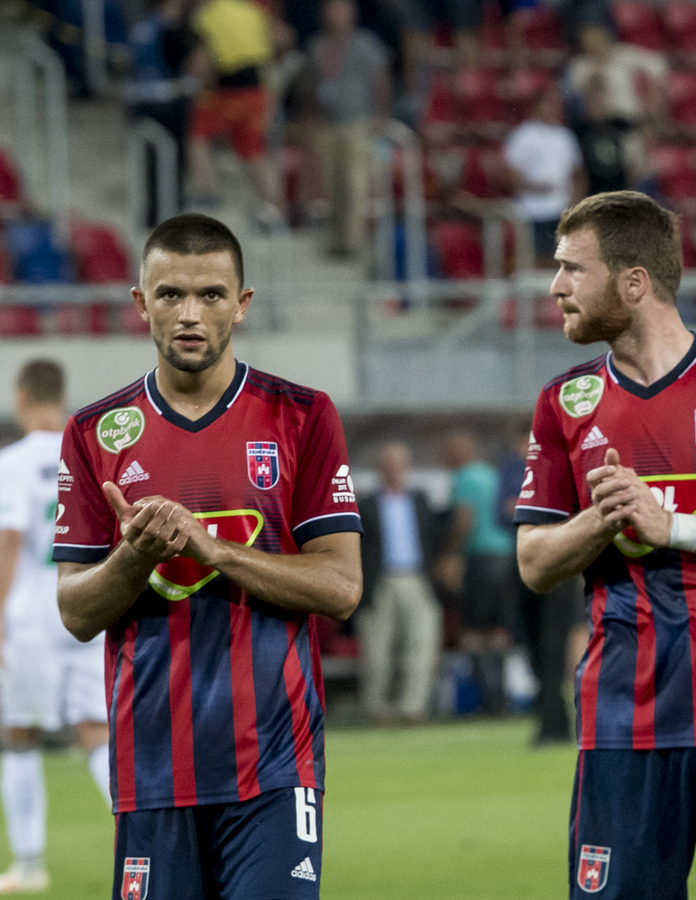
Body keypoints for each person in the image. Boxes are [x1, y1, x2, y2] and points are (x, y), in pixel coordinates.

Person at [514, 191, 696, 900]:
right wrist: (602, 519)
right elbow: (533, 562)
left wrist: (670, 526)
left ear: (633, 282)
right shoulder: (565, 402)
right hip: (623, 726)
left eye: (572, 269)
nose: (555, 287)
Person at [54, 213, 363, 898]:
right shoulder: (96, 432)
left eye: (211, 294)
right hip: (151, 773)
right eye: (171, 294)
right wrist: (134, 557)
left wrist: (212, 549)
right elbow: (75, 612)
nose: (190, 313)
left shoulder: (301, 416)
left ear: (241, 303)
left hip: (274, 769)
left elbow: (342, 586)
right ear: (141, 303)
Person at [0, 360, 111, 894]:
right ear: (62, 397)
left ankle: (28, 864)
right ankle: (147, 841)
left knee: (19, 734)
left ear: (21, 397)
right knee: (95, 730)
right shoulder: (88, 454)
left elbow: (10, 540)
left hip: (30, 617)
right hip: (87, 603)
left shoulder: (13, 463)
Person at [356, 442, 443, 725]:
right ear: (379, 470)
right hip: (379, 580)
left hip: (416, 578)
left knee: (420, 644)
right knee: (377, 649)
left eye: (399, 466)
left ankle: (412, 707)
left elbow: (435, 538)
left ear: (408, 469)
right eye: (388, 467)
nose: (394, 472)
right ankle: (376, 707)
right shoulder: (366, 504)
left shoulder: (421, 501)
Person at [441, 431, 517, 715]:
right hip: (505, 556)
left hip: (480, 560)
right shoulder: (493, 474)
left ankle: (484, 697)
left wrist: (449, 553)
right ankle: (501, 696)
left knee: (473, 630)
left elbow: (464, 519)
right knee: (498, 630)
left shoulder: (464, 478)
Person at [307, 0, 390, 258]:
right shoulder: (317, 45)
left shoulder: (365, 43)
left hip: (358, 124)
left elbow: (380, 79)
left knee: (355, 186)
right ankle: (336, 240)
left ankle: (352, 244)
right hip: (328, 125)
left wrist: (380, 115)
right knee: (332, 187)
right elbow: (311, 84)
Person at [188, 0, 283, 213]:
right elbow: (275, 46)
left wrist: (203, 84)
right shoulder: (253, 12)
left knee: (197, 135)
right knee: (254, 152)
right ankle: (274, 207)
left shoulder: (205, 16)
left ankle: (207, 190)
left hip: (230, 90)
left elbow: (203, 60)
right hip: (257, 92)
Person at [565, 23, 667, 193]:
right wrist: (597, 69)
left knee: (639, 168)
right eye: (587, 41)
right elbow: (573, 92)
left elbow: (658, 66)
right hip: (599, 129)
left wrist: (652, 98)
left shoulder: (624, 55)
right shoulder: (581, 65)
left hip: (630, 123)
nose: (592, 44)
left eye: (595, 38)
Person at [127, 0, 198, 224]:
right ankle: (170, 209)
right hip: (168, 101)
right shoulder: (170, 28)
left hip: (143, 100)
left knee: (153, 161)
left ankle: (154, 211)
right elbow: (183, 62)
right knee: (172, 159)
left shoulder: (142, 27)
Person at [503, 88, 585, 265]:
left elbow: (577, 174)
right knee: (533, 261)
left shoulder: (565, 136)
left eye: (555, 104)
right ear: (536, 107)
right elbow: (509, 175)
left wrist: (575, 206)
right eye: (548, 104)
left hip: (560, 209)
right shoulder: (523, 136)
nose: (552, 108)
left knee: (560, 261)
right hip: (532, 211)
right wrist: (534, 187)